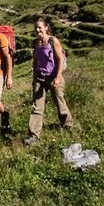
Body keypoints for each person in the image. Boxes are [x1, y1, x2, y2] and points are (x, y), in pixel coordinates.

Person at [24, 16, 75, 145]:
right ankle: (34, 135)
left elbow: (60, 60)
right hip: (40, 77)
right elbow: (35, 61)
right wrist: (34, 77)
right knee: (37, 106)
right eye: (35, 27)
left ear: (46, 27)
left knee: (60, 102)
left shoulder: (53, 41)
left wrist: (58, 77)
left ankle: (68, 126)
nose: (37, 30)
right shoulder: (35, 43)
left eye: (39, 27)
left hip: (53, 76)